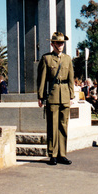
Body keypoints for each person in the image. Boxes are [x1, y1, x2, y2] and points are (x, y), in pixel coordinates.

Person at [37, 32, 74, 166]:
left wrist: (71, 95)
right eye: (58, 43)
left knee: (63, 126)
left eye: (62, 43)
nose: (60, 45)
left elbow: (70, 78)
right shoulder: (46, 59)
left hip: (64, 95)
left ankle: (62, 154)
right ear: (52, 44)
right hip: (52, 95)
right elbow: (41, 80)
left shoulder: (67, 59)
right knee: (52, 126)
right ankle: (52, 154)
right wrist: (40, 96)